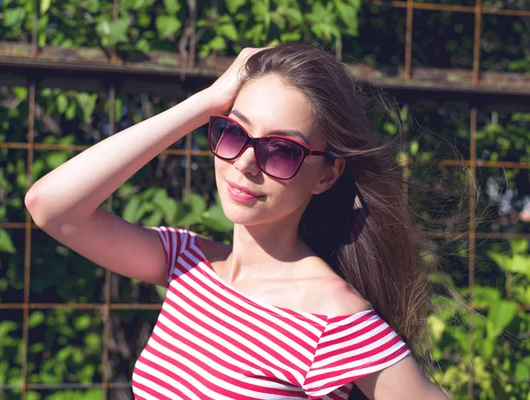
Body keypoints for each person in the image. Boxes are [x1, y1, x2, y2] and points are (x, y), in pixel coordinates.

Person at [25, 43, 451, 399]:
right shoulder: (187, 264)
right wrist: (206, 102)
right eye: (232, 132)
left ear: (327, 174)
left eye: (282, 149)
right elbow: (50, 206)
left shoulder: (332, 318)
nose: (246, 162)